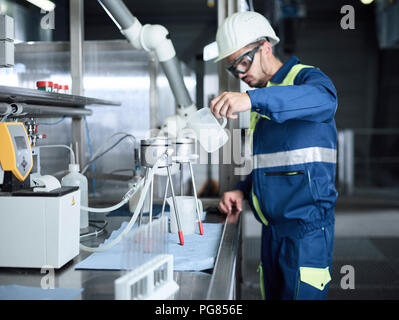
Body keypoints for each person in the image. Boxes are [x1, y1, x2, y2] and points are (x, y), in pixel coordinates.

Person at [210, 11, 338, 300]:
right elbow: (273, 163)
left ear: (266, 47)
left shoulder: (306, 79)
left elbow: (325, 100)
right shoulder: (262, 100)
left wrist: (251, 100)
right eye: (233, 68)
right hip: (272, 231)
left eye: (243, 62)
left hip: (306, 232)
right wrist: (243, 190)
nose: (240, 74)